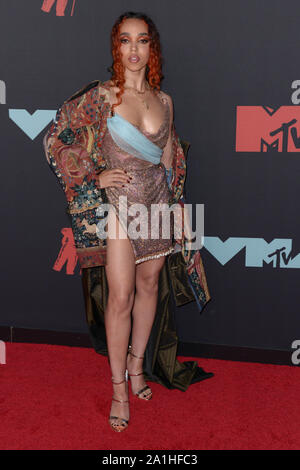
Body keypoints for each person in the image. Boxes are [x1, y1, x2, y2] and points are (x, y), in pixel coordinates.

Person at [43, 11, 213, 434]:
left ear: (151, 48)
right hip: (119, 204)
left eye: (142, 41)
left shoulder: (166, 101)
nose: (133, 49)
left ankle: (137, 368)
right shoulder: (102, 96)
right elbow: (56, 136)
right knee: (119, 297)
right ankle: (119, 387)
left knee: (150, 285)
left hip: (156, 205)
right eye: (125, 40)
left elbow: (172, 159)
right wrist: (91, 174)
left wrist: (177, 208)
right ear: (115, 47)